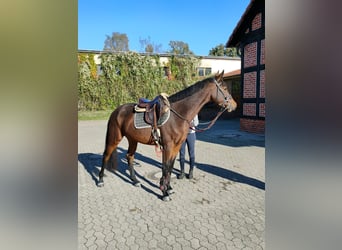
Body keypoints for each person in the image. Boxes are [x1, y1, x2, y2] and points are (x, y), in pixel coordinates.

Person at [178, 114, 199, 179]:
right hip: (182, 135)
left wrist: (190, 124)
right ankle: (182, 172)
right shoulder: (182, 110)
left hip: (191, 134)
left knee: (191, 153)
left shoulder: (194, 112)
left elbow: (196, 123)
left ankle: (191, 171)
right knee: (182, 153)